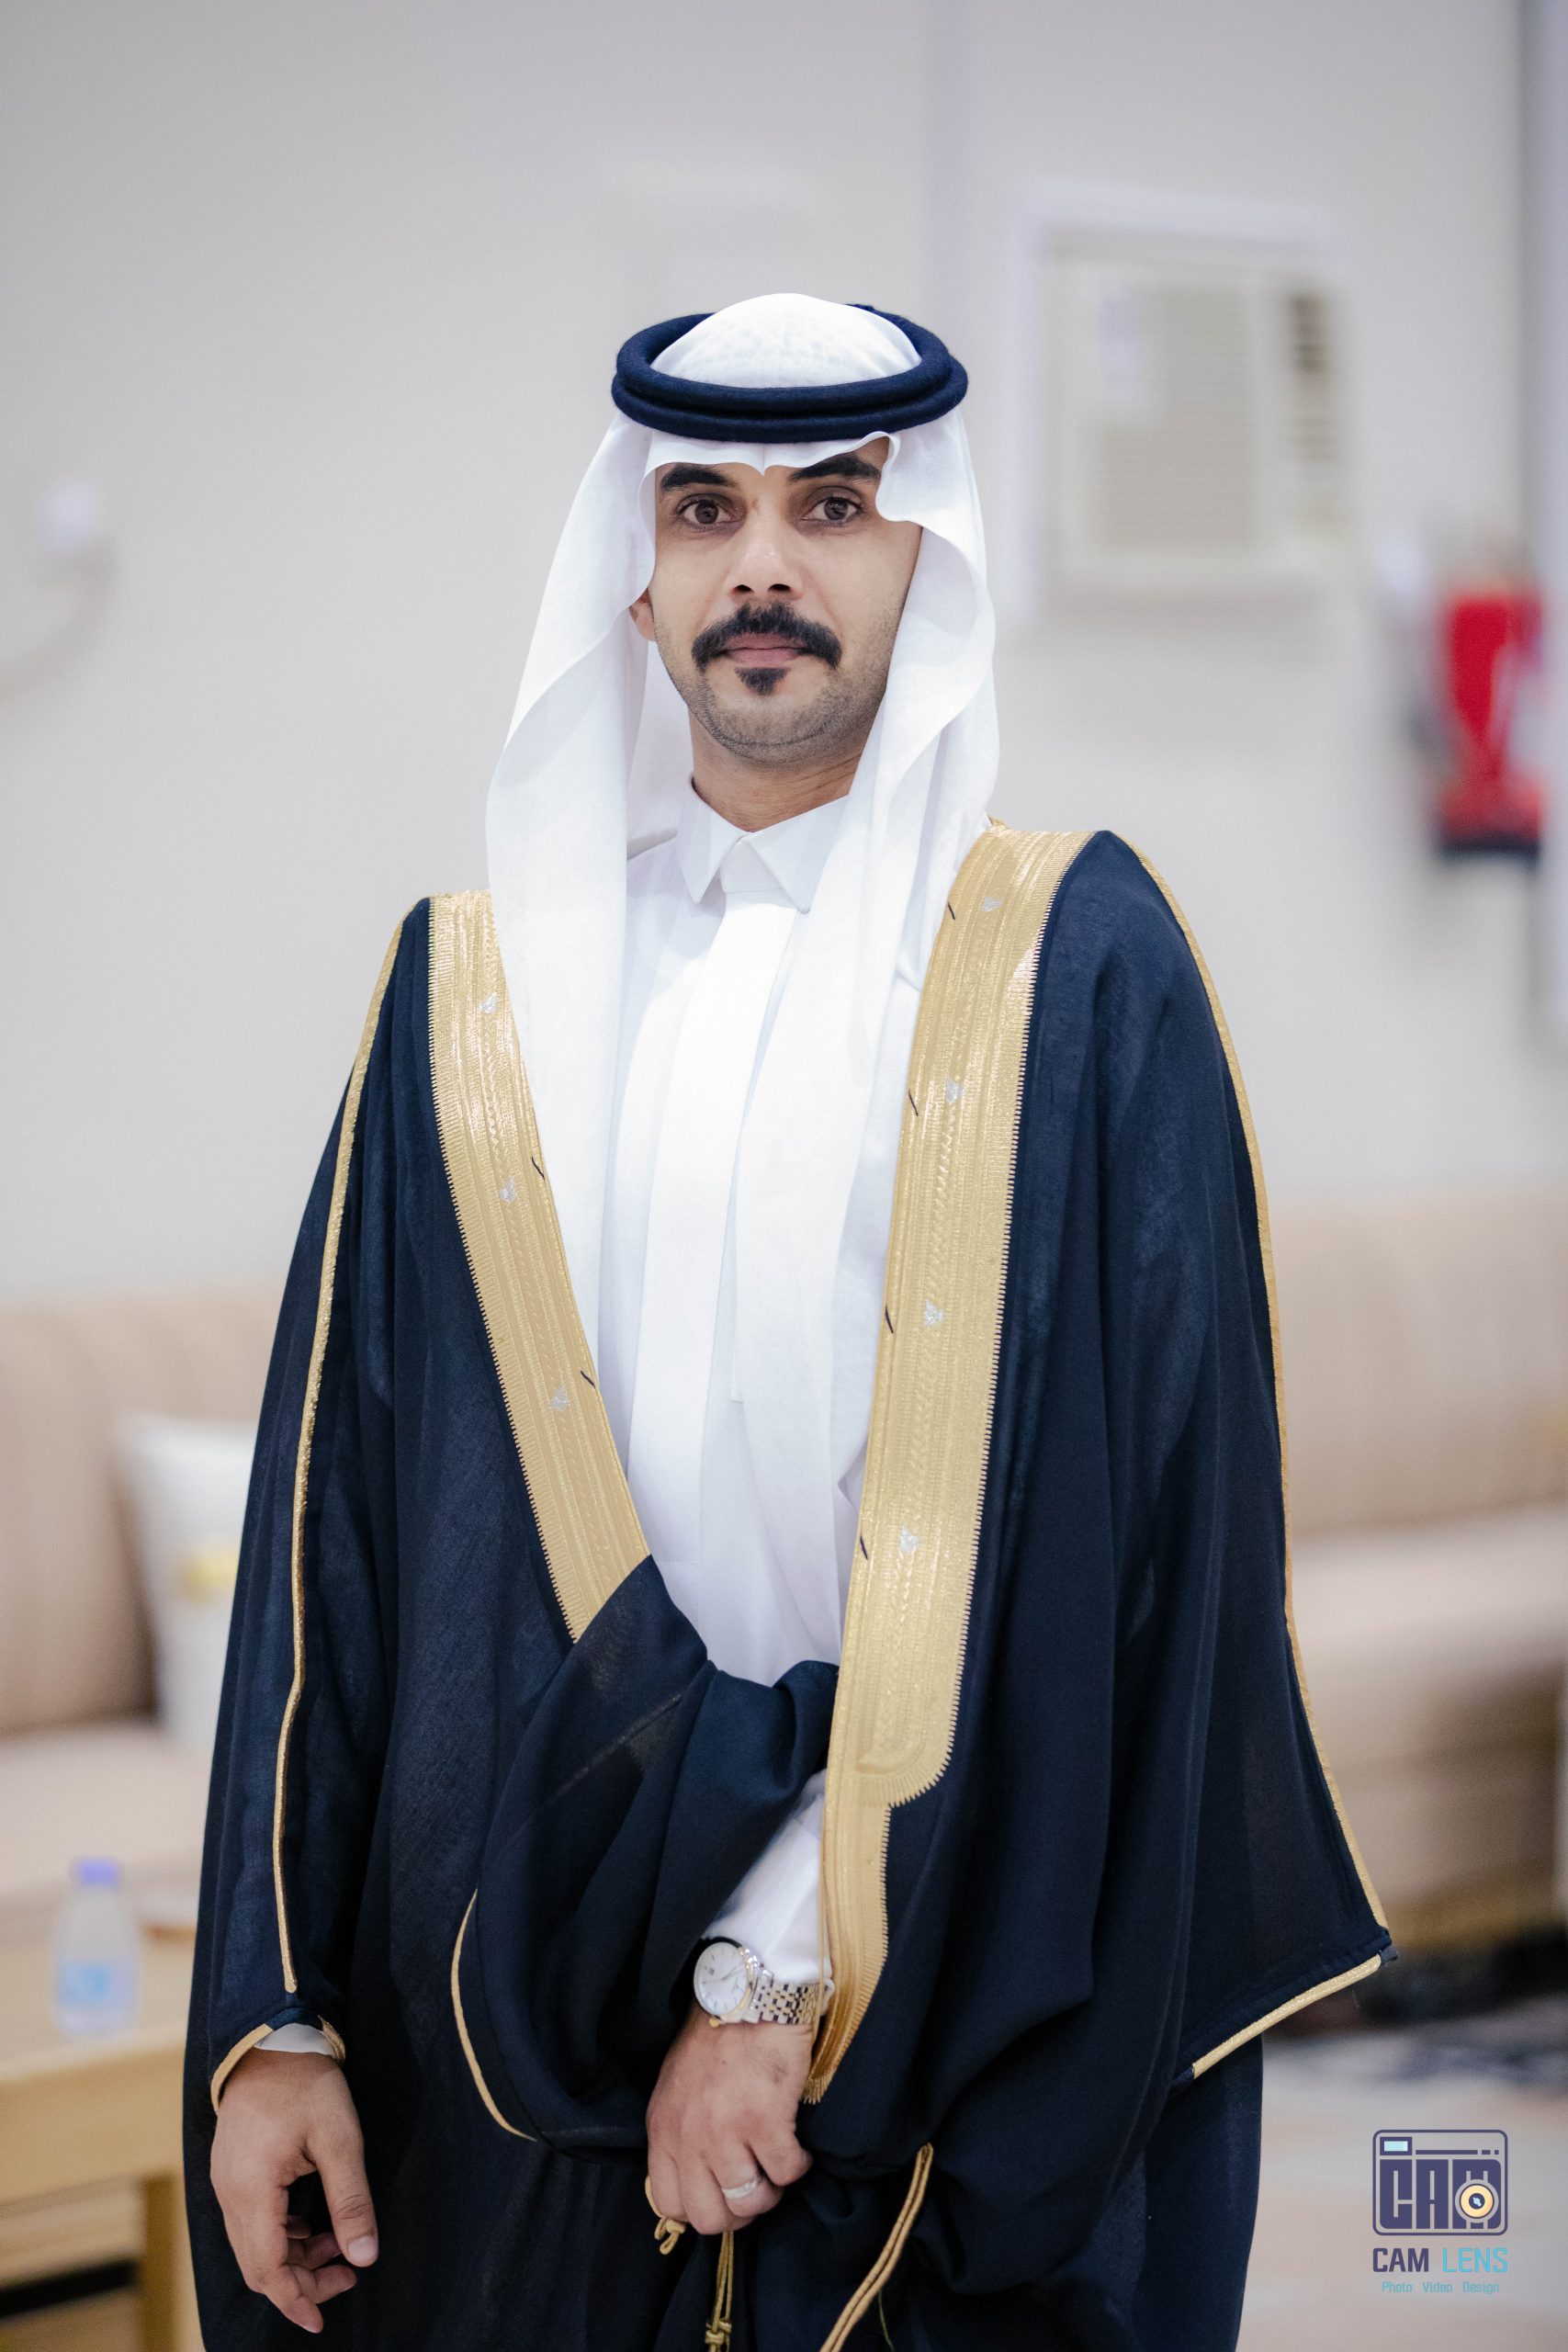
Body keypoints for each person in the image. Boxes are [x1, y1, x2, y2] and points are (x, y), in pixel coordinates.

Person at [184, 294, 1392, 2351]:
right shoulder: (468, 997)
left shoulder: (1075, 973)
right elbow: (337, 1538)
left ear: (926, 559)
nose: (761, 562)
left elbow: (1133, 1576)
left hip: (933, 1993)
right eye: (704, 510)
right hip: (514, 1987)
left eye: (831, 505)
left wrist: (776, 1964)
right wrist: (274, 2015)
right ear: (635, 577)